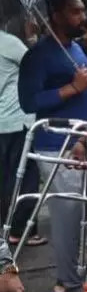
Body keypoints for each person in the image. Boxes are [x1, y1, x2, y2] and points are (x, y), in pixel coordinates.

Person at [17, 0, 87, 292]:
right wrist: (69, 89)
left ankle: (76, 276)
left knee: (84, 214)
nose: (82, 16)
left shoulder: (77, 49)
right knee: (66, 216)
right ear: (56, 16)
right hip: (57, 146)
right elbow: (29, 101)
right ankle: (68, 284)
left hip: (84, 143)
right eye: (75, 11)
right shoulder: (38, 55)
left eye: (82, 9)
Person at [0, 25, 41, 246]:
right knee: (25, 177)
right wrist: (32, 38)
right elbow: (34, 63)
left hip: (1, 123)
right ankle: (20, 228)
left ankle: (6, 229)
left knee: (5, 178)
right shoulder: (8, 42)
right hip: (17, 120)